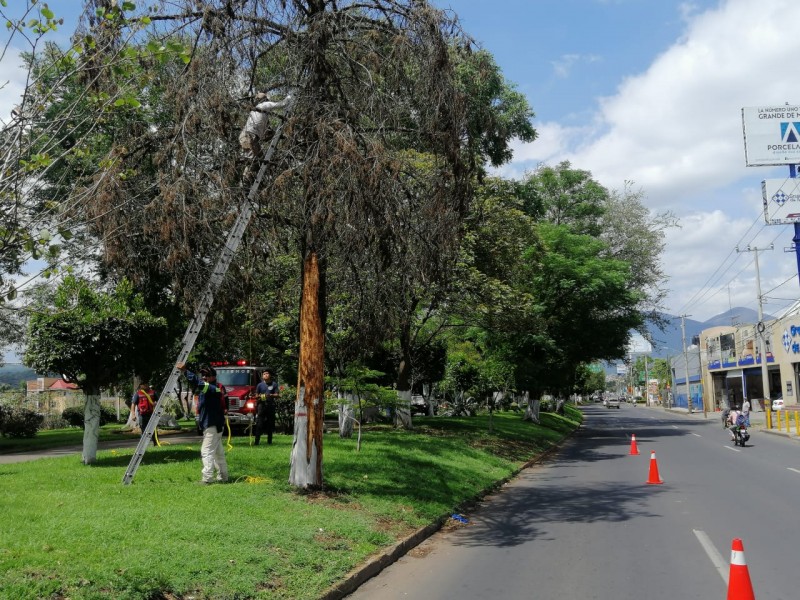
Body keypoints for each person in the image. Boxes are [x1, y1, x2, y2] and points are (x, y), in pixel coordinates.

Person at [178, 363, 229, 484]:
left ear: (213, 377)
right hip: (212, 425)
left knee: (206, 452)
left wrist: (185, 371)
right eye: (203, 375)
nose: (204, 377)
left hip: (212, 425)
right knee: (218, 453)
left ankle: (207, 479)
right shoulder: (208, 388)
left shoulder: (213, 389)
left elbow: (198, 383)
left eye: (207, 375)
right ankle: (223, 476)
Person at [238, 92, 293, 159]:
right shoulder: (263, 105)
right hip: (250, 136)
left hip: (246, 136)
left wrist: (277, 135)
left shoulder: (259, 113)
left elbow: (267, 132)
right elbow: (282, 104)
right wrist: (289, 97)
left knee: (258, 160)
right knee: (253, 160)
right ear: (265, 99)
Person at [254, 369, 278, 445]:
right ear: (262, 376)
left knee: (270, 424)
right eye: (264, 374)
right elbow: (256, 395)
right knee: (259, 423)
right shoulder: (259, 385)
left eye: (267, 373)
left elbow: (277, 394)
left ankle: (269, 441)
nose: (265, 375)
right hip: (261, 406)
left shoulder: (274, 384)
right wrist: (259, 396)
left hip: (270, 406)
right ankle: (256, 441)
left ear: (270, 375)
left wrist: (271, 395)